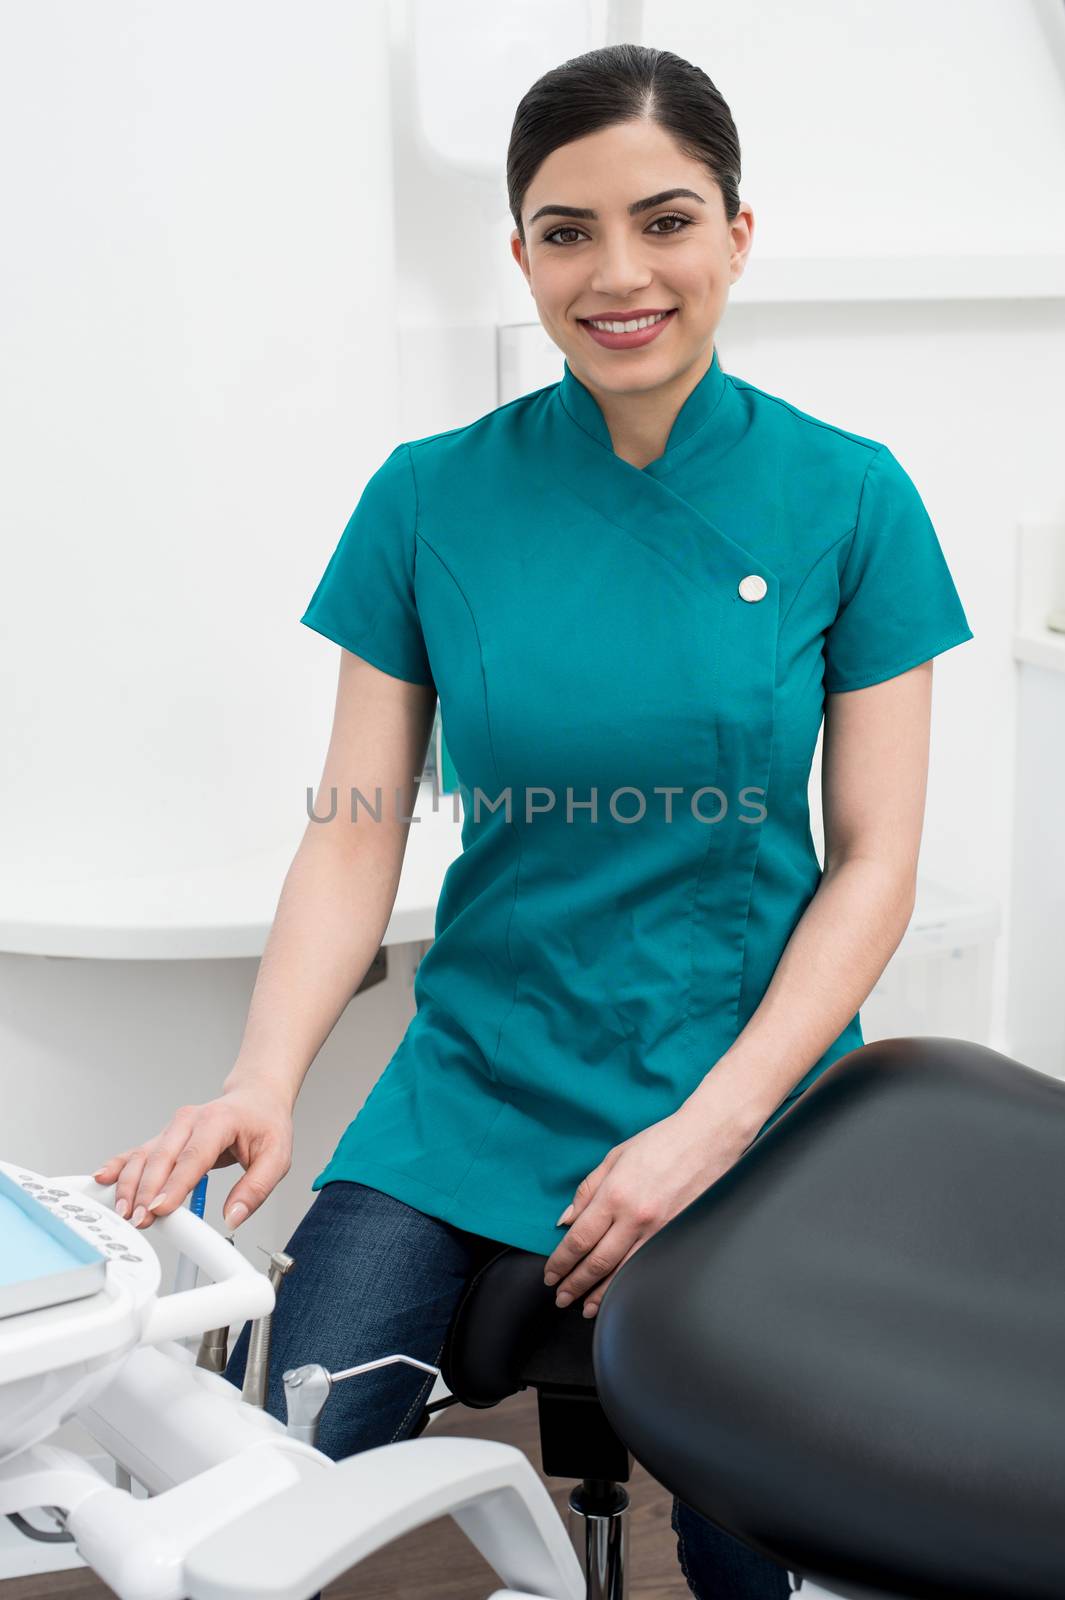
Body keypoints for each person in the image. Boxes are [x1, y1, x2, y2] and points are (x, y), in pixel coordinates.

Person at [92, 42, 974, 1600]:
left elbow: (874, 864)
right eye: (566, 231)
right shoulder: (428, 499)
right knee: (280, 1469)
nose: (617, 273)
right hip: (476, 1079)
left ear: (736, 235)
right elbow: (357, 824)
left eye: (665, 220)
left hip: (744, 1086)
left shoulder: (850, 498)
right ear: (520, 253)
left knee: (754, 1516)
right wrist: (261, 1078)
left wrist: (706, 1130)